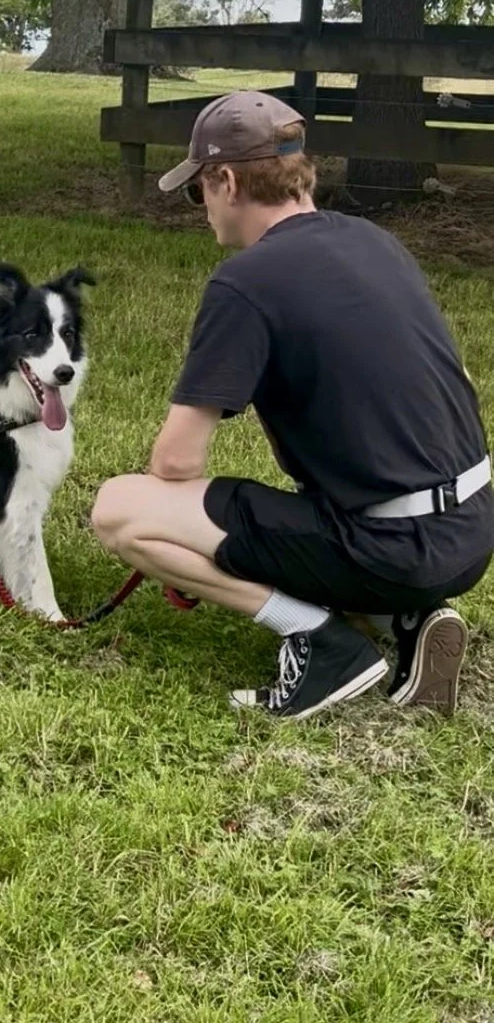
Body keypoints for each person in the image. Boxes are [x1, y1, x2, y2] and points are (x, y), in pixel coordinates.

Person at [91, 90, 492, 720]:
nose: (201, 210)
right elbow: (460, 379)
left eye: (199, 190)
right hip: (472, 530)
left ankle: (322, 641)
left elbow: (174, 465)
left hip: (389, 544)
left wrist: (195, 546)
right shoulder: (374, 241)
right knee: (327, 514)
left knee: (121, 509)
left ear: (226, 180)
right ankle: (405, 619)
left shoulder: (245, 284)